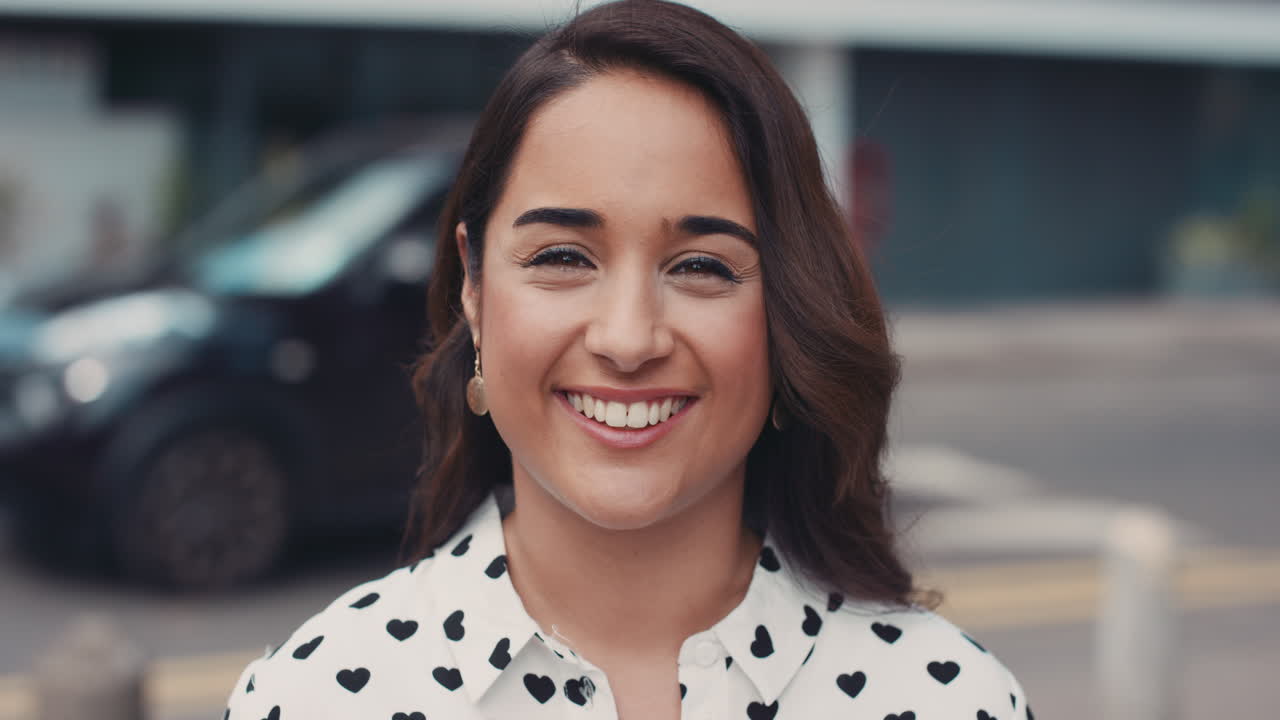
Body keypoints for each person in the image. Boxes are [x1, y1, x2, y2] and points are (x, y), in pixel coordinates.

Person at [225, 1, 1032, 718]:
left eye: (701, 266)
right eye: (563, 257)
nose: (628, 338)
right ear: (473, 285)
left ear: (786, 308)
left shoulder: (947, 698)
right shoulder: (314, 696)